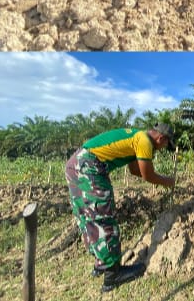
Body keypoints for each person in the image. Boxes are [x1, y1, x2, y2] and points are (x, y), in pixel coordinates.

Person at [65, 123, 175, 292]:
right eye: (166, 144)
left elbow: (135, 171)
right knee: (103, 216)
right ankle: (112, 275)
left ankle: (101, 262)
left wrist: (160, 179)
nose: (164, 148)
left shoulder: (137, 137)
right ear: (161, 138)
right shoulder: (145, 142)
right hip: (89, 167)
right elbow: (148, 175)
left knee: (88, 216)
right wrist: (168, 181)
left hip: (76, 164)